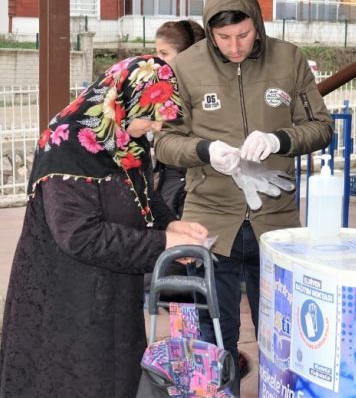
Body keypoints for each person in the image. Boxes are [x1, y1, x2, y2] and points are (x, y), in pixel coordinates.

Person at [154, 0, 333, 391]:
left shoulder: (289, 60)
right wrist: (205, 151)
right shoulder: (185, 67)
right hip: (209, 222)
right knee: (211, 337)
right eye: (224, 37)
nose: (235, 46)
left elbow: (322, 127)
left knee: (282, 334)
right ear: (210, 31)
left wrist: (280, 139)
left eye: (244, 34)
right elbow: (164, 141)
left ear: (257, 22)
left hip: (276, 222)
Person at [0, 56, 208, 397]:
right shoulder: (65, 144)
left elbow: (143, 195)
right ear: (121, 98)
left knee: (115, 377)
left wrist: (173, 225)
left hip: (115, 291)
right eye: (150, 117)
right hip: (67, 297)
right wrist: (161, 244)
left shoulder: (126, 137)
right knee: (71, 379)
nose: (155, 128)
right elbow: (79, 236)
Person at [153, 19, 206, 217]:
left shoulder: (198, 92)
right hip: (167, 182)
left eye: (164, 54)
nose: (157, 60)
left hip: (188, 185)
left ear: (186, 56)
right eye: (157, 52)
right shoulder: (162, 85)